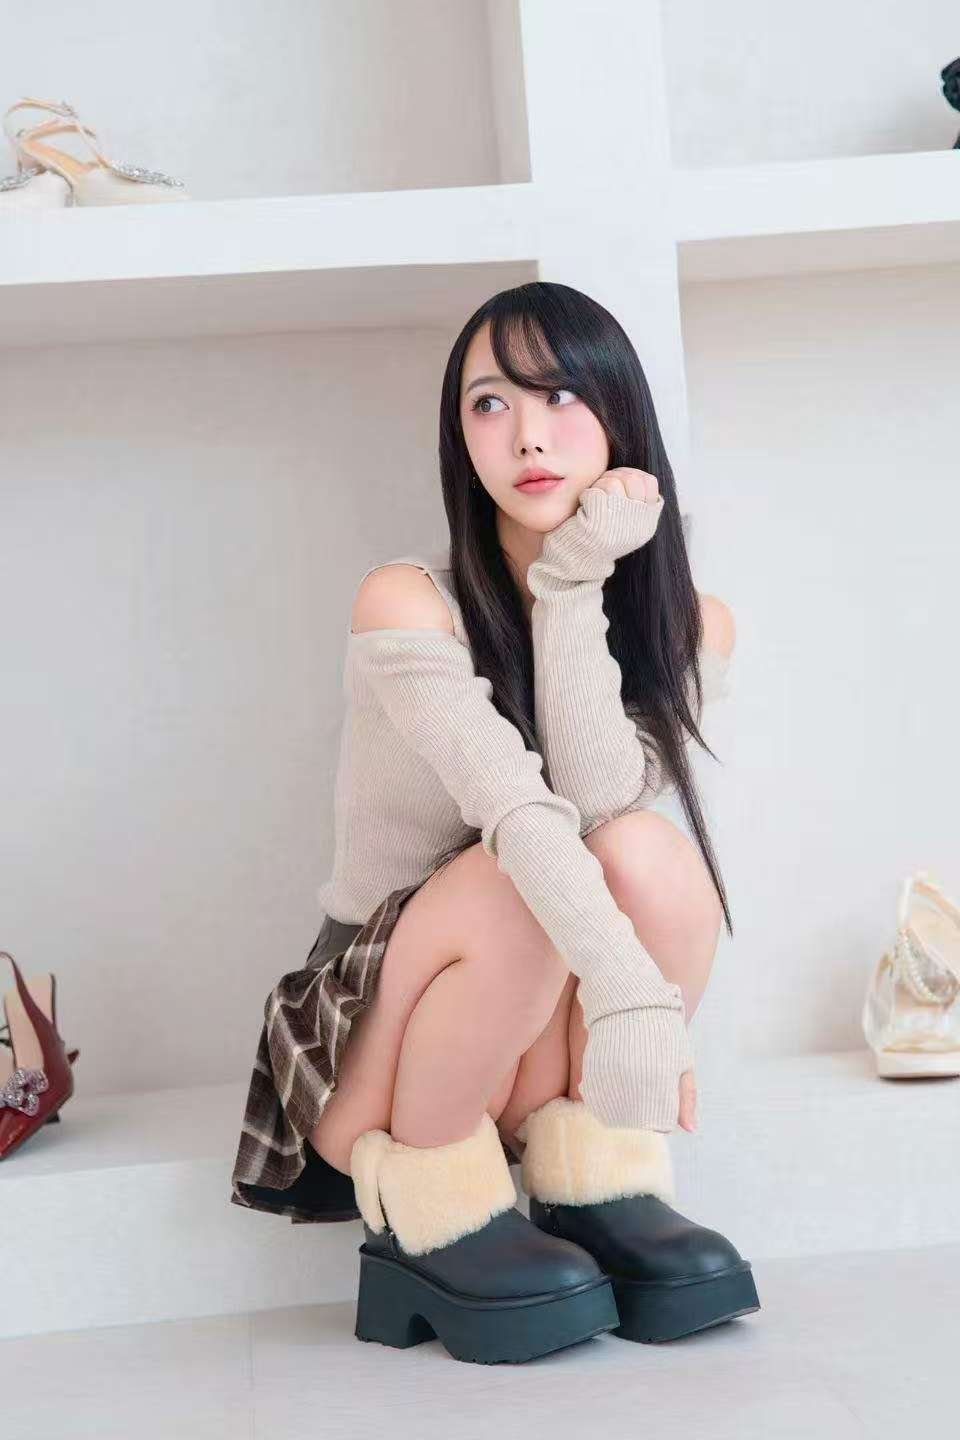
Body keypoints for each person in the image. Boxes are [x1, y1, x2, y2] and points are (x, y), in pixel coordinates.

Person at [229, 281, 759, 1363]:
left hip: (532, 1019)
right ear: (458, 434)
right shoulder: (406, 603)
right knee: (515, 868)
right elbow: (520, 811)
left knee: (647, 853)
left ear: (619, 414)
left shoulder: (691, 625)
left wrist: (571, 587)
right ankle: (435, 1206)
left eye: (561, 396)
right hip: (376, 1038)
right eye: (489, 403)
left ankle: (591, 1179)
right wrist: (633, 996)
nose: (527, 436)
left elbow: (602, 802)